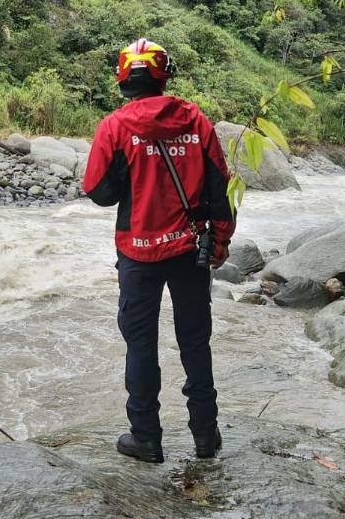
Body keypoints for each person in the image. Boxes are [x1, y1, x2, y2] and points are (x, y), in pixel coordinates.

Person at [82, 38, 236, 463]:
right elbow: (220, 187)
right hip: (190, 250)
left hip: (137, 253)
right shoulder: (196, 121)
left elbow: (98, 191)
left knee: (140, 345)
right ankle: (205, 436)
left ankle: (146, 438)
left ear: (123, 79)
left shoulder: (114, 127)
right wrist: (221, 239)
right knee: (195, 342)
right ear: (163, 76)